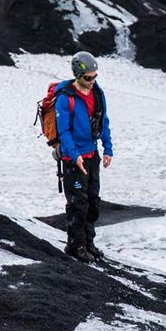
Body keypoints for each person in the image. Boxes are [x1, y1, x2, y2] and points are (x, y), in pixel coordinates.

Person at [55, 52, 114, 262]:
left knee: (92, 202)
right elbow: (63, 132)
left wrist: (108, 148)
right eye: (88, 77)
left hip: (92, 155)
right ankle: (75, 246)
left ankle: (89, 243)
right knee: (77, 204)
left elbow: (103, 121)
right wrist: (74, 155)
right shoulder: (65, 99)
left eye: (95, 76)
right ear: (78, 75)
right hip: (73, 160)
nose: (92, 81)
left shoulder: (98, 93)